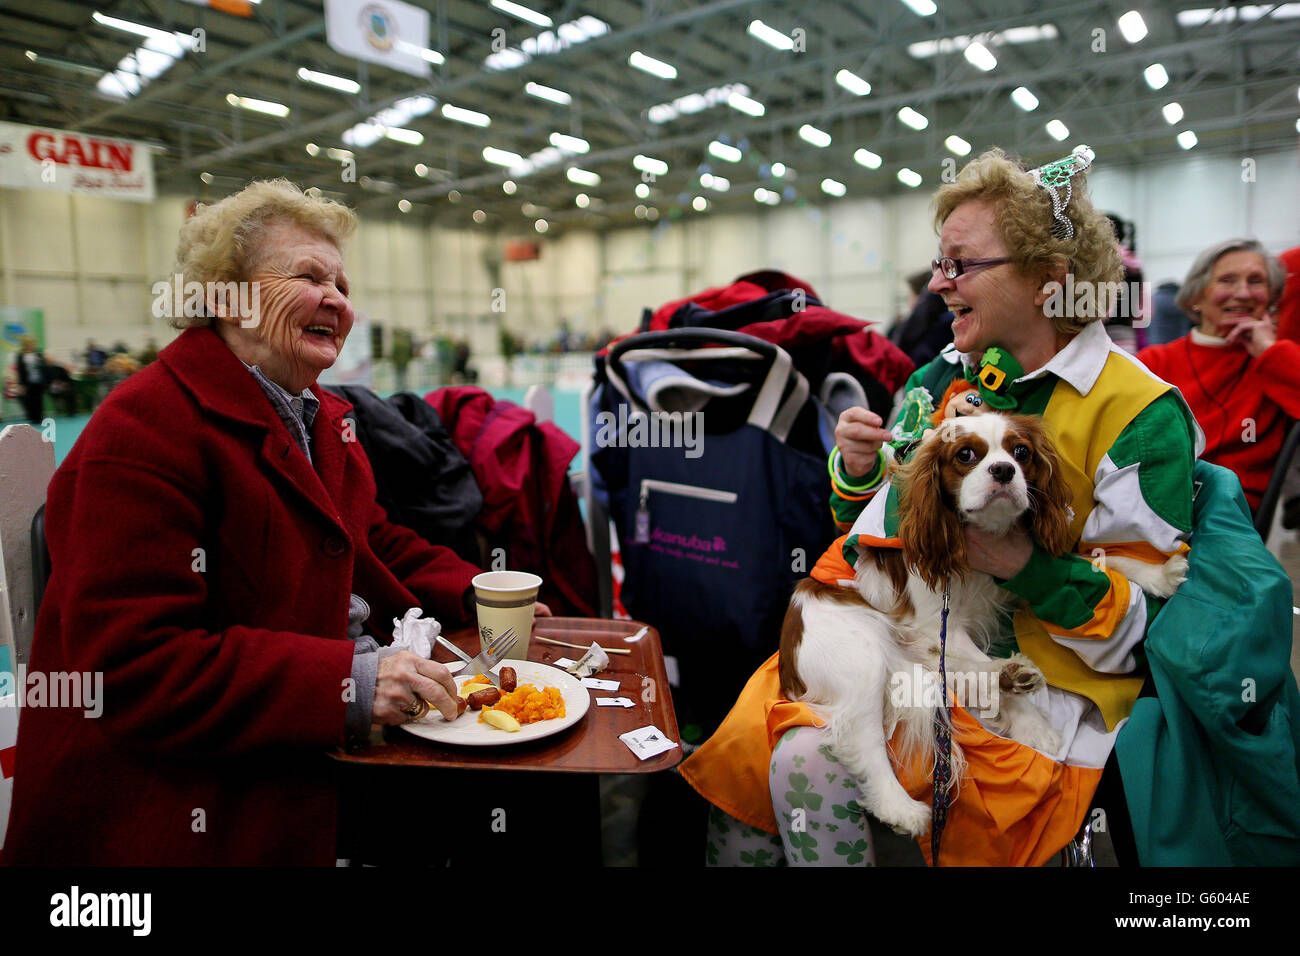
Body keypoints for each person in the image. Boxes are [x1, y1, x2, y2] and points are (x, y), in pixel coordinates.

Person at [680, 145, 1202, 866]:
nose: (936, 282)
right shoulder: (943, 374)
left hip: (1039, 685)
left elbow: (1152, 633)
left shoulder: (1138, 413)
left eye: (960, 265)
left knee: (803, 758)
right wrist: (858, 471)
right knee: (745, 748)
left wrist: (1022, 563)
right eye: (939, 261)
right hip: (906, 641)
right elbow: (871, 525)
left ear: (1050, 281)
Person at [1, 179, 546, 866]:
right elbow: (134, 668)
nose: (338, 300)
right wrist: (354, 683)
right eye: (309, 276)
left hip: (303, 749)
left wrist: (479, 591)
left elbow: (371, 540)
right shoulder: (143, 430)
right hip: (176, 812)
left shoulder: (319, 416)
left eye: (343, 284)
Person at [1135, 240, 1296, 515]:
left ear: (1271, 297)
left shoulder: (1277, 361)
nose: (1243, 293)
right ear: (1196, 298)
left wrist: (1270, 350)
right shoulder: (1153, 362)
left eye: (1256, 281)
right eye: (1227, 280)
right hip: (1155, 503)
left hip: (1231, 513)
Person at [12, 334, 49, 423]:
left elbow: (44, 367)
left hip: (39, 380)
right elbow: (20, 371)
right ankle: (32, 417)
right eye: (29, 343)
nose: (31, 345)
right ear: (25, 344)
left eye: (32, 343)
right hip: (27, 382)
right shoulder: (20, 356)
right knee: (29, 400)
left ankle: (39, 417)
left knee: (39, 399)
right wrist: (21, 384)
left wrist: (46, 380)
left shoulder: (39, 354)